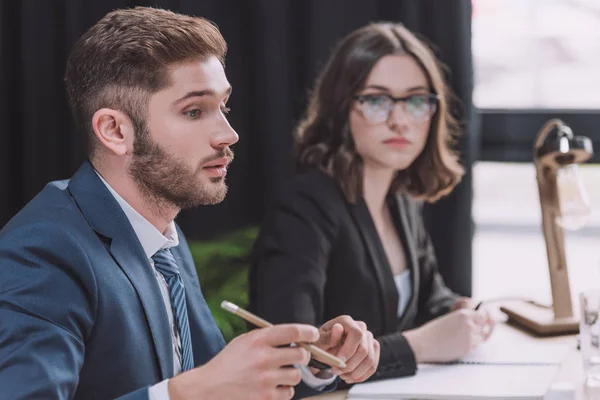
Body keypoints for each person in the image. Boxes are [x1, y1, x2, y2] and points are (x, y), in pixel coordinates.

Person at [0, 7, 380, 400]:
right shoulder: (42, 251)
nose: (228, 134)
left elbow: (216, 381)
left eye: (224, 107)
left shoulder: (161, 234)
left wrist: (312, 361)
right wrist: (185, 393)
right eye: (194, 111)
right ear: (115, 130)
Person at [249, 22, 495, 384]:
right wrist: (417, 346)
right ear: (341, 108)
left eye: (415, 101)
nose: (399, 121)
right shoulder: (304, 207)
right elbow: (290, 363)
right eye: (377, 101)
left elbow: (429, 297)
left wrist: (462, 311)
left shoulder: (401, 198)